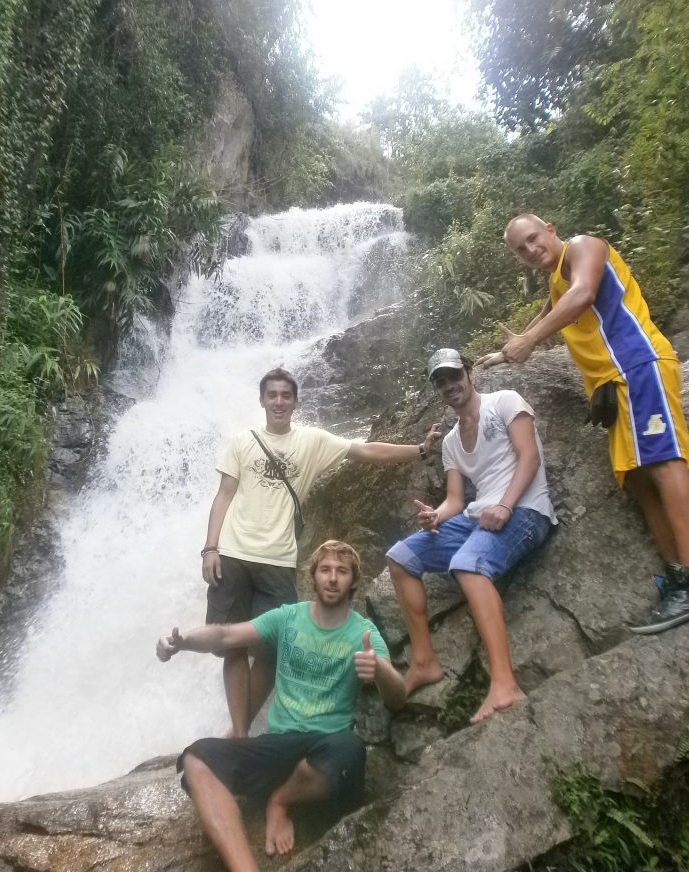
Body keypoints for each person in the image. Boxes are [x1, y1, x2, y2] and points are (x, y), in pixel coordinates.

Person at [478, 214, 689, 634]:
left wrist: (529, 341)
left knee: (665, 463)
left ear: (551, 229)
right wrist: (509, 351)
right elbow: (548, 316)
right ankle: (679, 580)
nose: (530, 250)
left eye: (533, 239)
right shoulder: (556, 279)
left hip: (637, 365)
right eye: (521, 249)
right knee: (638, 479)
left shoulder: (584, 248)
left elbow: (582, 295)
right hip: (614, 387)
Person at [202, 367, 439, 737]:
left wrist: (420, 450)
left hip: (279, 558)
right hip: (232, 552)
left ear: (295, 402)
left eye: (286, 395)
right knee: (231, 642)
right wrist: (210, 547)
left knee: (270, 649)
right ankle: (239, 732)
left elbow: (365, 450)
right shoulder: (241, 442)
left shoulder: (312, 441)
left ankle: (241, 727)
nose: (279, 401)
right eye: (272, 395)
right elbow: (224, 496)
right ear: (262, 400)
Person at [157, 540, 406, 872]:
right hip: (276, 744)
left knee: (351, 749)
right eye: (326, 570)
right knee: (196, 758)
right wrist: (182, 641)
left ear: (353, 581)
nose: (332, 578)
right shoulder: (289, 617)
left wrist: (381, 670)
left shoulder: (363, 632)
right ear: (313, 577)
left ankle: (281, 799)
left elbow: (397, 698)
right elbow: (226, 635)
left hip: (326, 747)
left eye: (342, 572)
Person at [386, 348, 556, 723]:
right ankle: (424, 661)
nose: (449, 385)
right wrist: (435, 516)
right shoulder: (449, 442)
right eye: (440, 381)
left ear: (468, 371)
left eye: (453, 375)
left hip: (526, 511)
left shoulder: (506, 402)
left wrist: (506, 506)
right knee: (400, 557)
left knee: (467, 565)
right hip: (476, 515)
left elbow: (529, 457)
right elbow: (454, 500)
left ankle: (504, 684)